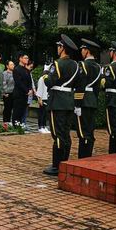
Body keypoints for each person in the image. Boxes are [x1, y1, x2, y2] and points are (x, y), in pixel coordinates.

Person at [42, 34, 80, 176]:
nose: (57, 49)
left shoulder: (57, 64)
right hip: (69, 101)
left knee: (57, 134)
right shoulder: (76, 65)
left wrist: (45, 72)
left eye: (59, 46)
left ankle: (56, 166)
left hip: (57, 102)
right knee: (65, 133)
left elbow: (49, 82)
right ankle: (64, 162)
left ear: (62, 48)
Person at [75, 39, 102, 158]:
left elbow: (80, 85)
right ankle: (88, 155)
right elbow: (97, 87)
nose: (81, 51)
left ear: (87, 51)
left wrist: (77, 103)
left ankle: (83, 157)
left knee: (83, 131)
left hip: (83, 100)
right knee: (90, 129)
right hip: (92, 100)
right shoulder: (98, 66)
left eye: (83, 49)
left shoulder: (83, 65)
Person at [12, 53, 32, 127]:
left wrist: (30, 89)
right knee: (17, 111)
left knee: (22, 111)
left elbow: (29, 81)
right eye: (25, 58)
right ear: (20, 58)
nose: (27, 60)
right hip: (19, 94)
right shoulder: (16, 69)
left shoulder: (27, 70)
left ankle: (20, 125)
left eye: (27, 58)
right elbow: (18, 82)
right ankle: (15, 126)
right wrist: (27, 91)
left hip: (25, 95)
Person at [35, 64, 50, 133]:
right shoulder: (42, 78)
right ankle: (40, 126)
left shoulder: (48, 78)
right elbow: (40, 89)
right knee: (42, 113)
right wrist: (39, 98)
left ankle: (44, 126)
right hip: (42, 98)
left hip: (47, 97)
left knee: (45, 114)